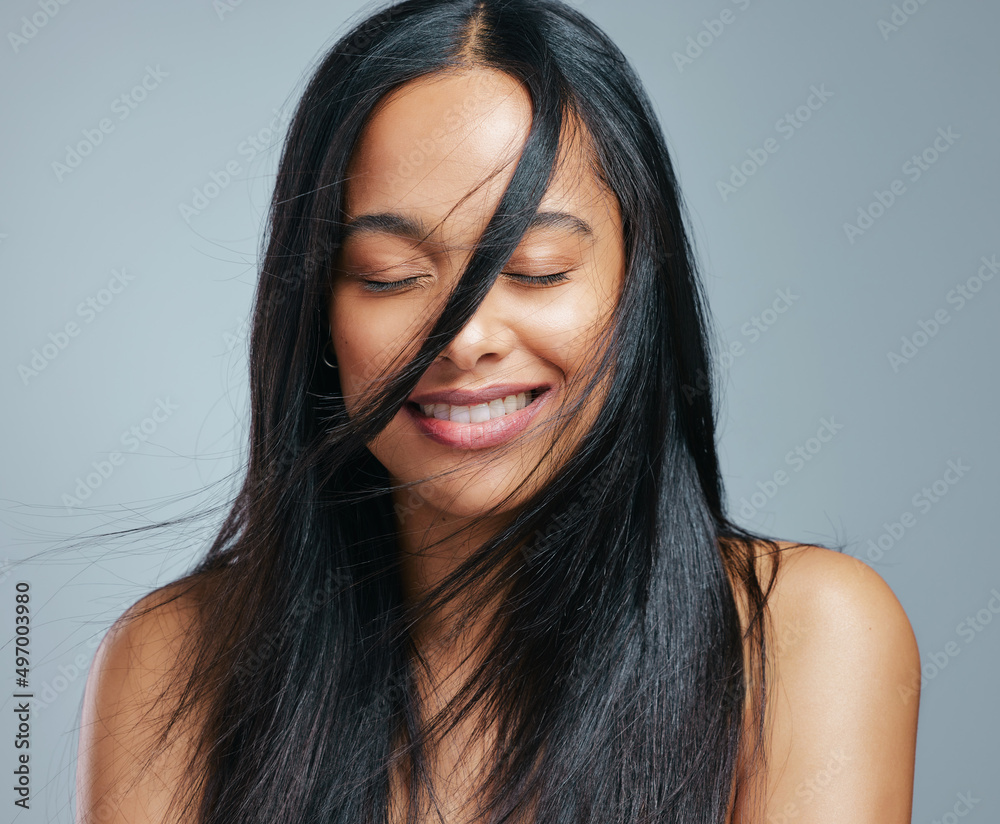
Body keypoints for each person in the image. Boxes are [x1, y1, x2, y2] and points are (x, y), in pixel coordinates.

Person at [75, 1, 920, 822]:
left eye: (539, 268)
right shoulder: (173, 660)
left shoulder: (808, 638)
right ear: (317, 314)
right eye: (390, 275)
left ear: (638, 290)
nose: (465, 337)